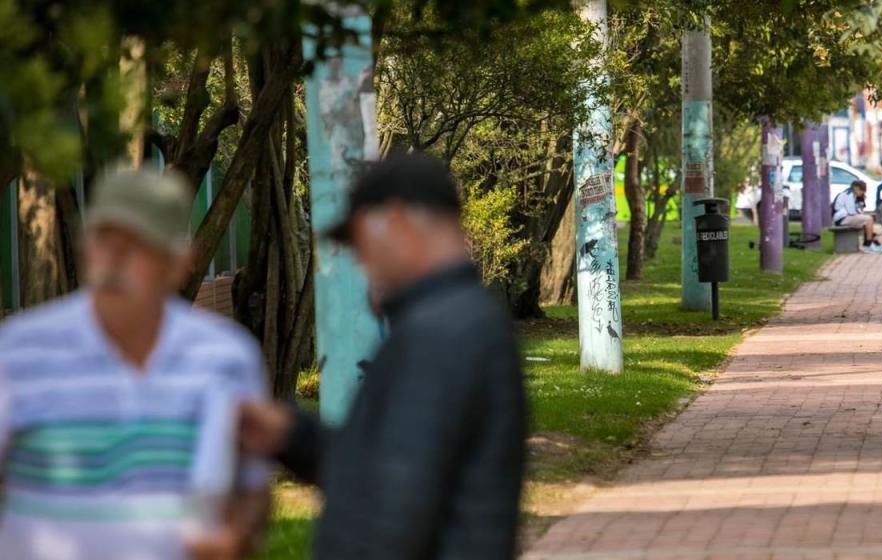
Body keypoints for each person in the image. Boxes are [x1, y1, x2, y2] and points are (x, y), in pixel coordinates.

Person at [239, 152, 527, 559]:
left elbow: (393, 510)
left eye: (360, 242)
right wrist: (293, 437)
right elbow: (386, 468)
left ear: (395, 220)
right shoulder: (459, 321)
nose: (361, 261)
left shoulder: (440, 333)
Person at [0, 167, 271, 560]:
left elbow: (252, 492)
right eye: (103, 240)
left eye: (138, 244)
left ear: (181, 263)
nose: (114, 258)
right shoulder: (19, 352)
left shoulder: (226, 357)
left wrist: (236, 537)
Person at [833, 179, 882, 254]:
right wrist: (861, 214)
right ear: (856, 188)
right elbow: (851, 212)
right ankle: (868, 245)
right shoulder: (848, 194)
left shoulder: (855, 196)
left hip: (847, 217)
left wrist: (861, 205)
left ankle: (874, 243)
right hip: (841, 219)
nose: (862, 192)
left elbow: (858, 211)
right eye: (861, 190)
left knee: (870, 222)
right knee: (868, 219)